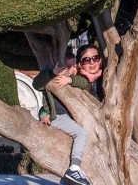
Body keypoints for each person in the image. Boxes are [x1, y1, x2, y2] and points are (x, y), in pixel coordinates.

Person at [33, 52, 92, 185]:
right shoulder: (51, 81)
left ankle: (70, 176)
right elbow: (36, 84)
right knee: (81, 133)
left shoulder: (73, 80)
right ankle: (75, 169)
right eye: (67, 66)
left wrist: (70, 80)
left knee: (69, 154)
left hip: (69, 120)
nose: (71, 69)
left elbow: (85, 83)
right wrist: (53, 72)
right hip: (58, 117)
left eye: (73, 66)